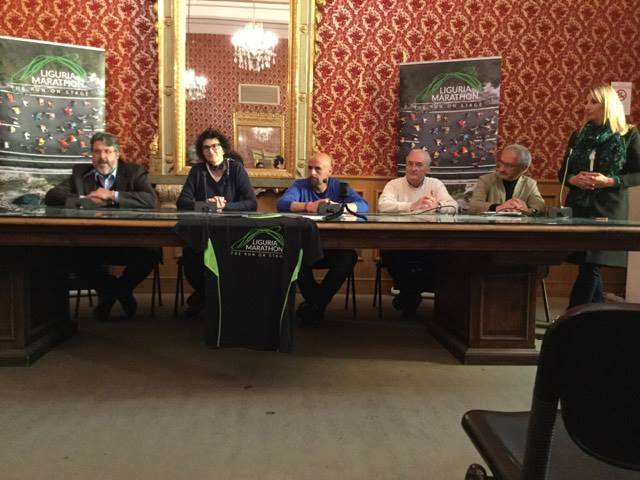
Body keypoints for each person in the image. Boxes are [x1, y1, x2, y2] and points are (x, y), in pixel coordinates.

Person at [45, 131, 160, 321]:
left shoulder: (134, 171)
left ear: (117, 154)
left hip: (130, 241)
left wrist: (112, 195)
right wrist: (86, 199)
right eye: (97, 152)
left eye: (107, 151)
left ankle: (111, 293)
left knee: (152, 253)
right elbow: (52, 196)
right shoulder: (81, 173)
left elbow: (150, 200)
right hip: (93, 242)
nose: (102, 157)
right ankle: (118, 291)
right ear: (92, 155)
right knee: (71, 255)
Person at [559, 85, 640, 307]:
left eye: (593, 102)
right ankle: (596, 316)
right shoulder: (579, 135)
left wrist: (610, 181)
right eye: (586, 101)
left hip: (607, 208)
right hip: (579, 206)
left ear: (608, 105)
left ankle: (572, 316)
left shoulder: (628, 135)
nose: (586, 106)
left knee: (591, 265)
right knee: (587, 263)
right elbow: (563, 173)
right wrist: (573, 179)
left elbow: (637, 174)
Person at [276, 152, 368, 321]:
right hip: (306, 247)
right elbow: (281, 204)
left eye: (317, 169)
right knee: (295, 256)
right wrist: (309, 206)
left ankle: (315, 304)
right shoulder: (299, 185)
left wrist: (339, 207)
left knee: (349, 256)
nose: (312, 172)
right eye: (310, 168)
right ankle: (318, 304)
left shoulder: (339, 186)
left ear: (329, 171)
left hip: (333, 248)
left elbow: (364, 206)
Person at [177, 128, 257, 316]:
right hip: (201, 232)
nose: (210, 151)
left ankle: (208, 299)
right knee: (190, 258)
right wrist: (208, 205)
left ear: (223, 148)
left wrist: (225, 206)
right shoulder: (197, 171)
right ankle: (210, 297)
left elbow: (251, 203)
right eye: (205, 148)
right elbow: (182, 202)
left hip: (231, 233)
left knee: (233, 262)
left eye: (214, 146)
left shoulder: (236, 169)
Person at [378, 148, 458, 317]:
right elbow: (383, 205)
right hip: (398, 241)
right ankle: (410, 298)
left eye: (419, 165)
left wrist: (437, 206)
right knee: (390, 254)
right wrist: (412, 206)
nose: (413, 168)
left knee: (440, 258)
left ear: (427, 169)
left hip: (428, 242)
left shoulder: (435, 184)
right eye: (410, 164)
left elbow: (453, 206)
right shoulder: (394, 184)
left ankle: (408, 298)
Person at [468, 144, 545, 214]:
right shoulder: (486, 180)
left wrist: (527, 210)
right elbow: (473, 206)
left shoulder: (530, 184)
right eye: (501, 162)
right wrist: (498, 208)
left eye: (509, 165)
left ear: (523, 169)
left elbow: (540, 207)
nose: (501, 169)